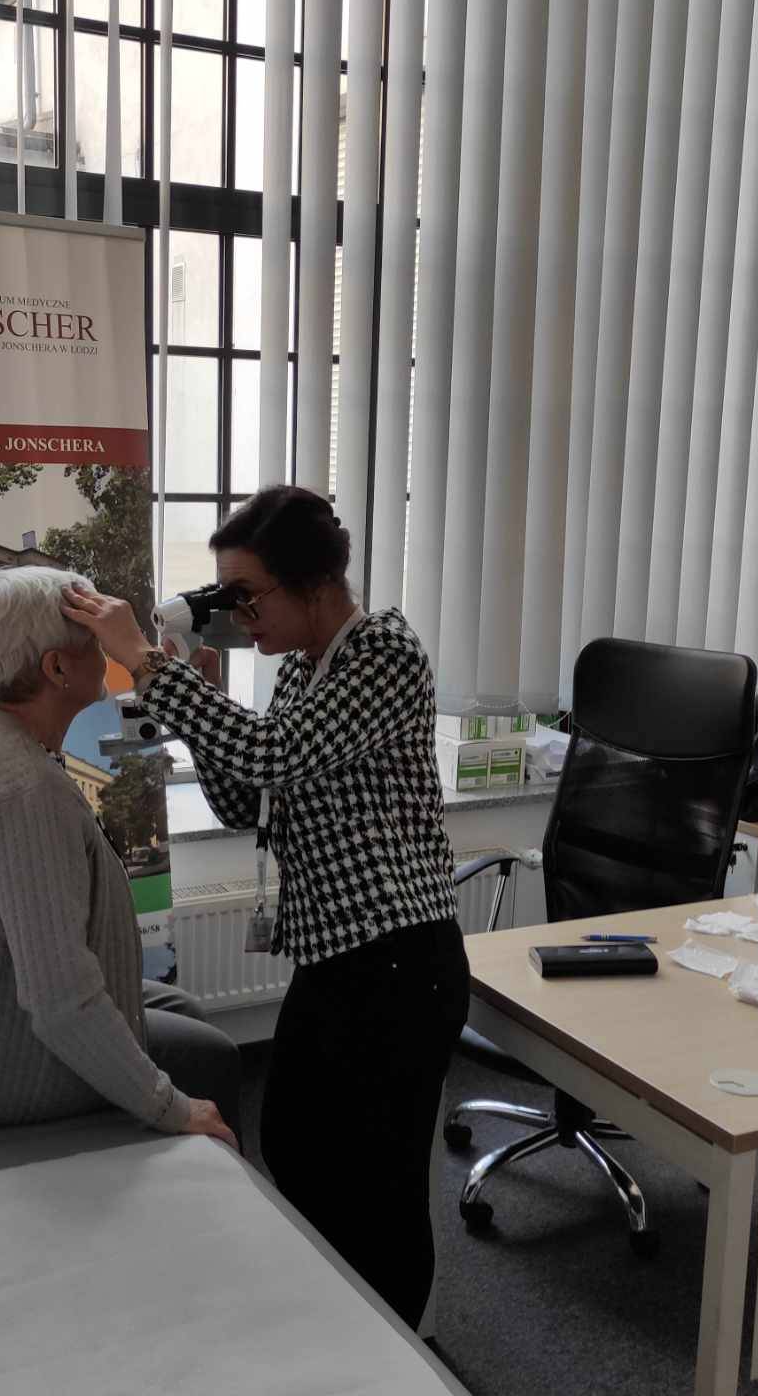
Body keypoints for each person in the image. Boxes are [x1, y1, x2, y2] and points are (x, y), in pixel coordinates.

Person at [62, 486, 467, 1329]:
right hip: (335, 958)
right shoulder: (299, 669)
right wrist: (200, 710)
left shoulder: (384, 652)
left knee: (380, 1184)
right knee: (293, 1143)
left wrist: (150, 664)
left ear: (314, 583)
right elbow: (251, 798)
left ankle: (393, 1349)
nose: (239, 616)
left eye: (249, 595)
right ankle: (334, 1321)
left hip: (400, 961)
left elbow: (274, 753)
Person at [0, 565, 239, 1149]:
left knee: (182, 1007)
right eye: (95, 638)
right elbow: (61, 1003)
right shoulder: (25, 792)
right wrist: (173, 1108)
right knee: (214, 1059)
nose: (109, 648)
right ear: (57, 668)